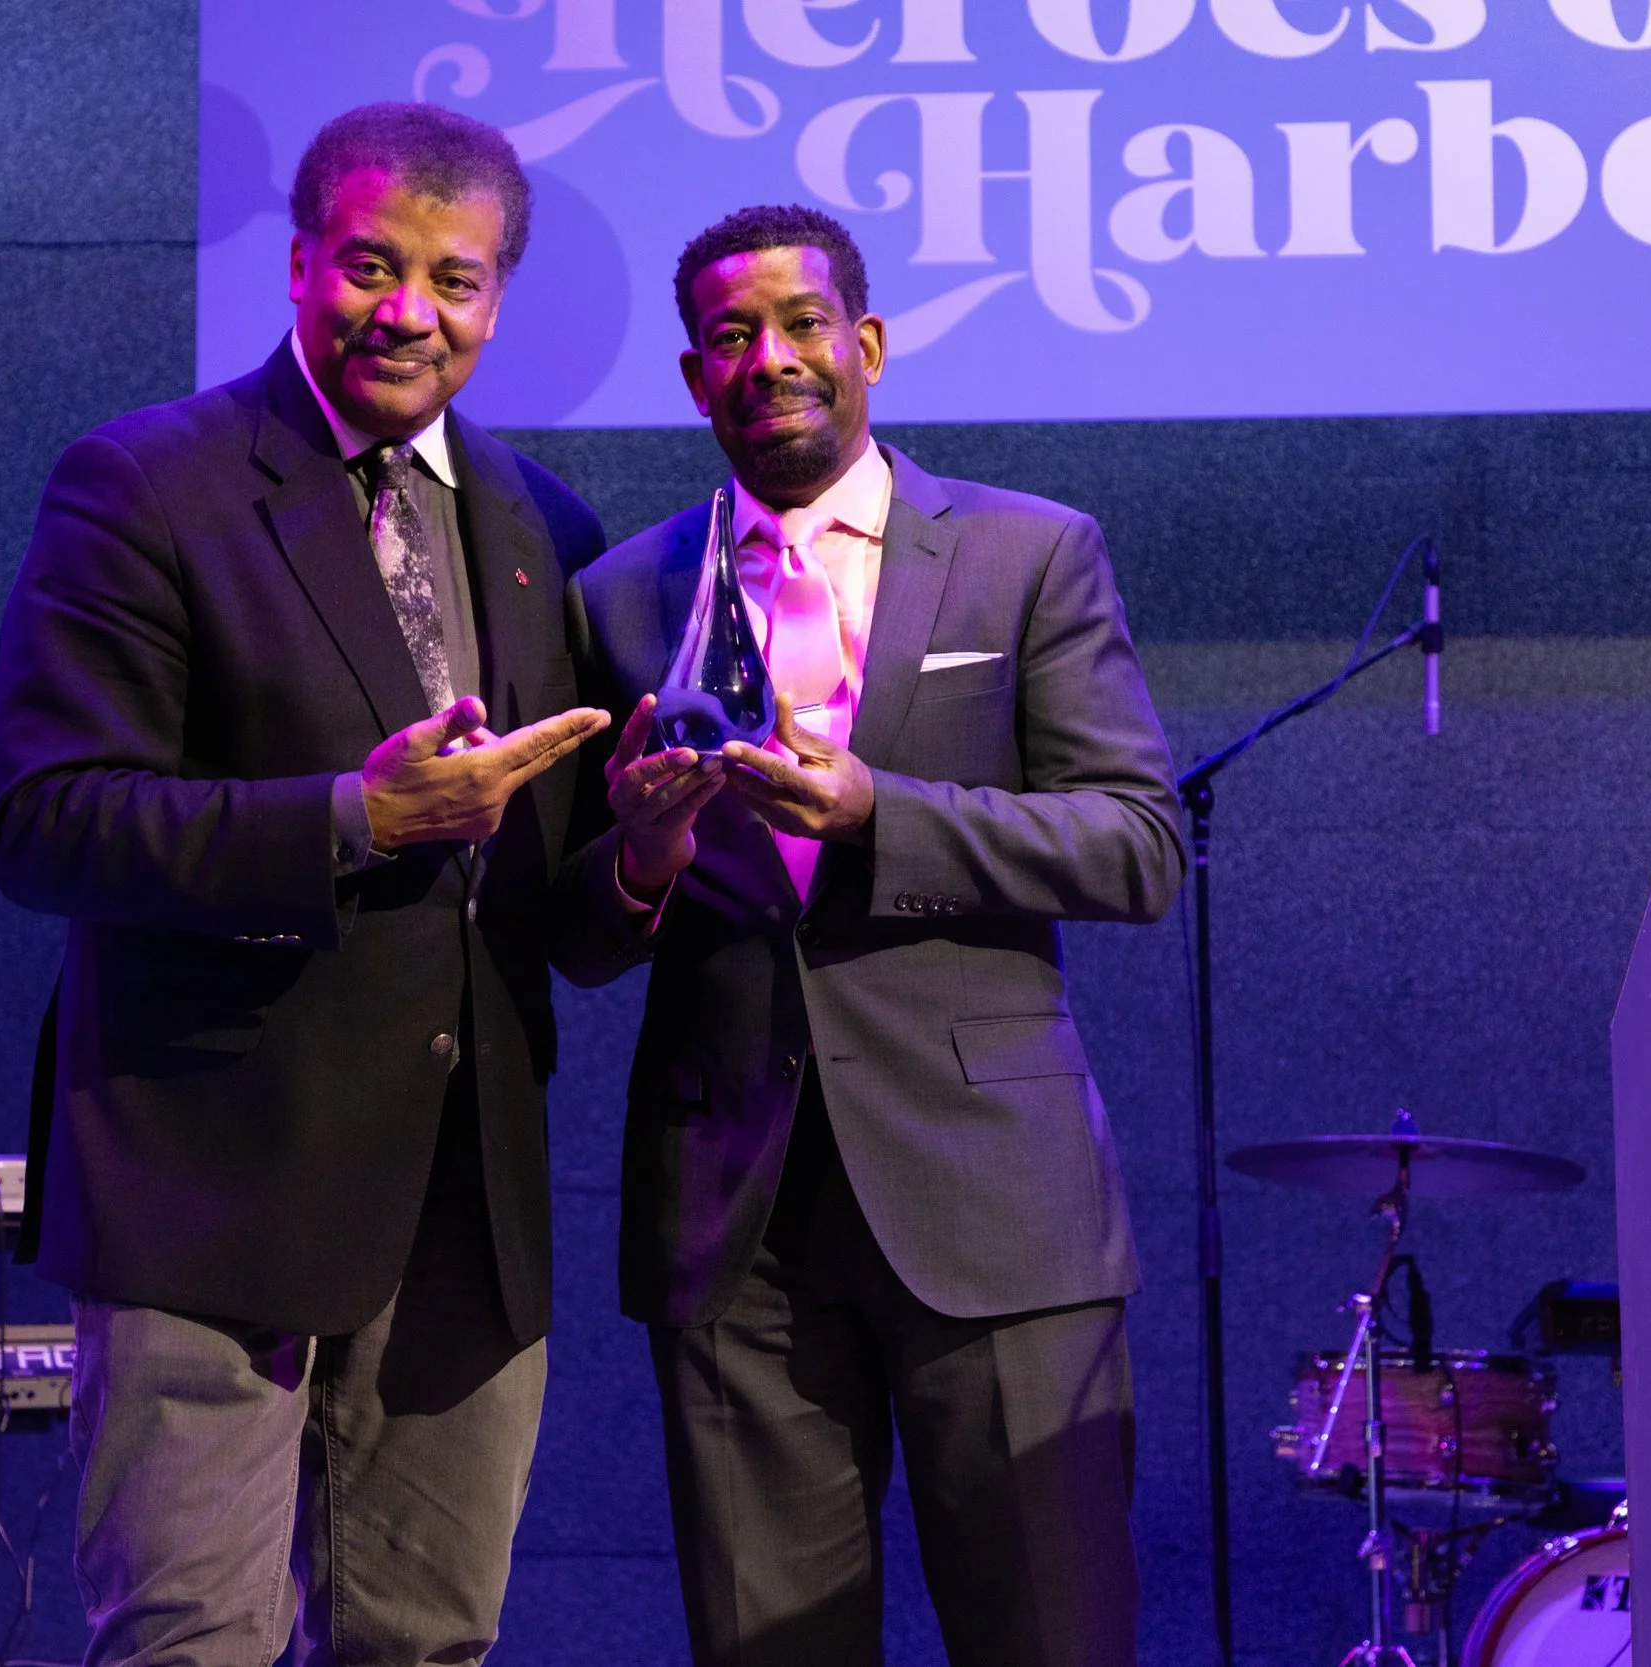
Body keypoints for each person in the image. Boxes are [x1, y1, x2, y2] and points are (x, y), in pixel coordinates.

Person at [0, 103, 608, 1667]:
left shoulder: (545, 526)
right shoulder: (146, 483)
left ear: (498, 300)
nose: (409, 311)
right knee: (191, 1645)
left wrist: (651, 856)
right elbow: (48, 819)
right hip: (213, 1180)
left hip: (463, 1206)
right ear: (298, 264)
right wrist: (353, 816)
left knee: (429, 1646)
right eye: (371, 265)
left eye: (455, 280)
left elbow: (553, 902)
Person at [555, 204, 1186, 1666]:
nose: (769, 357)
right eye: (730, 336)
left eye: (801, 323)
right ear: (694, 377)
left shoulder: (1028, 554)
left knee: (1051, 1638)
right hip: (733, 1213)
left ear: (871, 345)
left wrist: (876, 812)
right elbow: (575, 930)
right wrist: (643, 853)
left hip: (993, 1200)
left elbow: (1135, 843)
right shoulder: (621, 595)